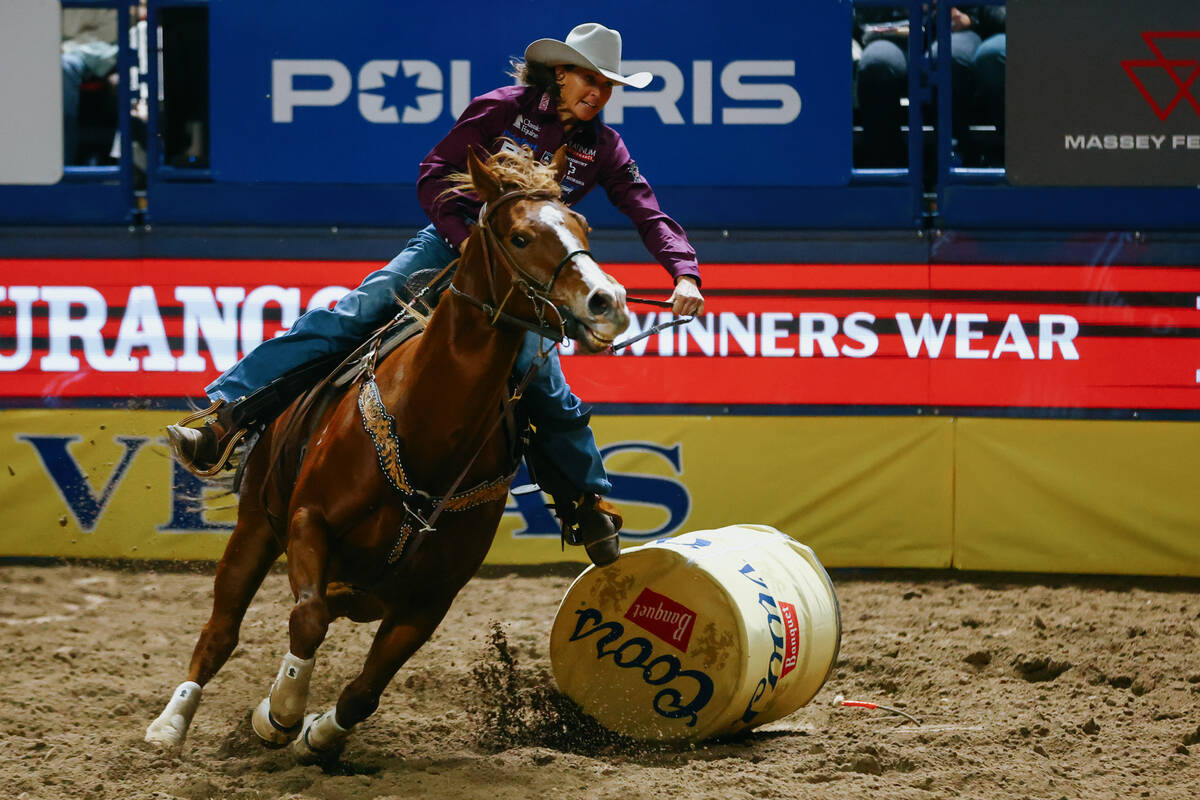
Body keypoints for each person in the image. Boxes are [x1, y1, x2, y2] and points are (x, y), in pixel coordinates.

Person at [167, 23, 705, 565]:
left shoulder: (605, 149)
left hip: (517, 280)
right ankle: (225, 418)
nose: (598, 93)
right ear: (560, 73)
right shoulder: (500, 109)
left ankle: (584, 502)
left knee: (547, 385)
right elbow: (435, 175)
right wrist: (469, 243)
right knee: (353, 315)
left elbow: (648, 213)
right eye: (590, 78)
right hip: (453, 245)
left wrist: (684, 273)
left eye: (608, 85)